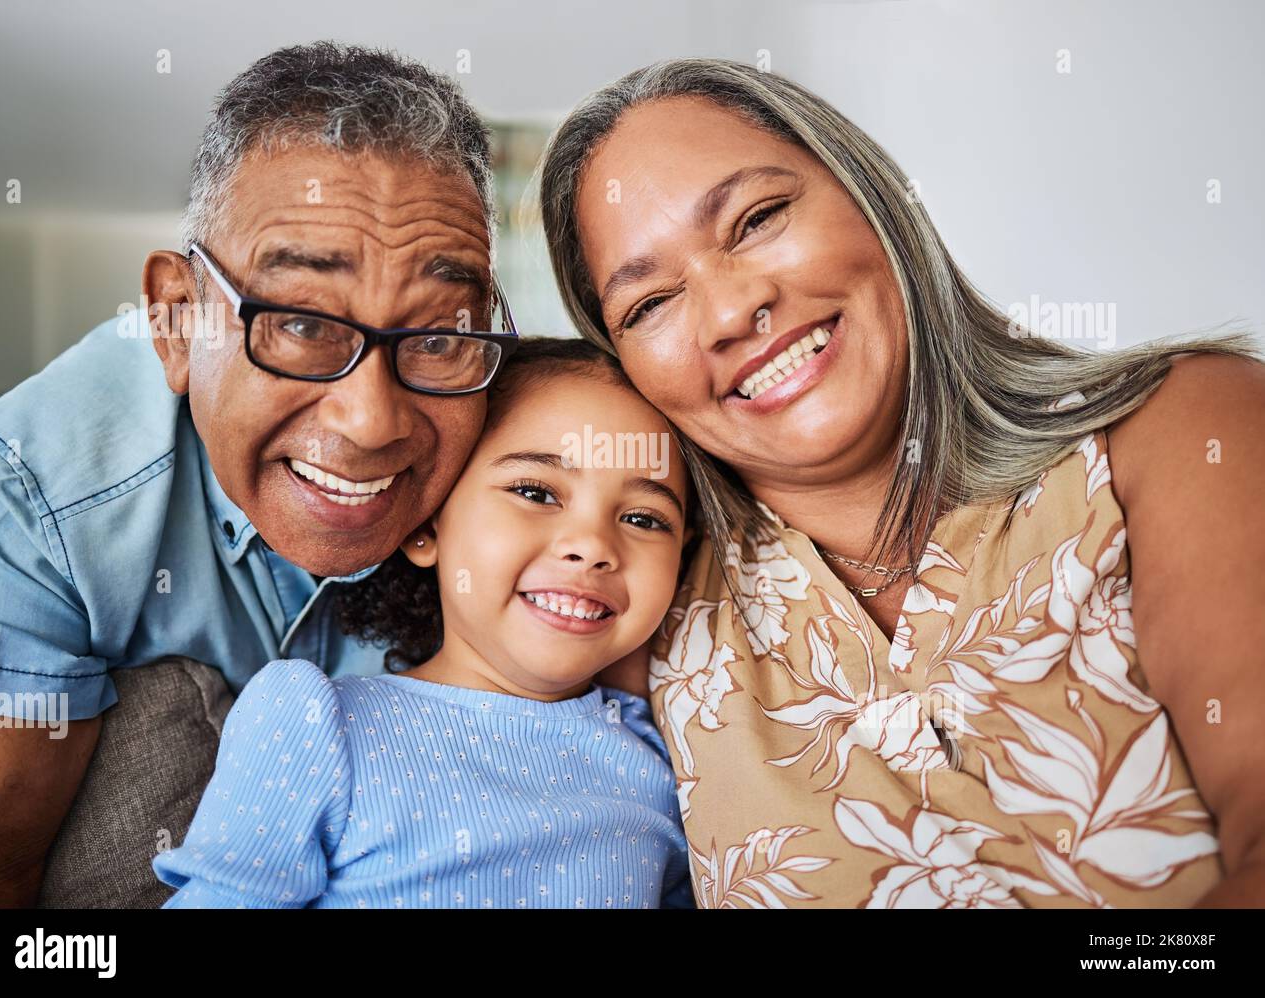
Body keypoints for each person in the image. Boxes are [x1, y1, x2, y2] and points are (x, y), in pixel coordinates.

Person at [536, 58, 1265, 907]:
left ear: (874, 198)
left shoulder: (1177, 429)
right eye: (649, 303)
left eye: (757, 218)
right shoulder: (644, 608)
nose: (732, 312)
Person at [0, 42, 515, 906]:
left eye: (440, 335)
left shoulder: (528, 446)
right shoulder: (22, 499)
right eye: (300, 323)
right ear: (178, 321)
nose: (371, 422)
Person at [152, 338, 696, 908]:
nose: (592, 546)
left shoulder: (673, 763)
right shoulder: (317, 723)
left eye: (643, 517)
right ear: (427, 526)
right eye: (535, 492)